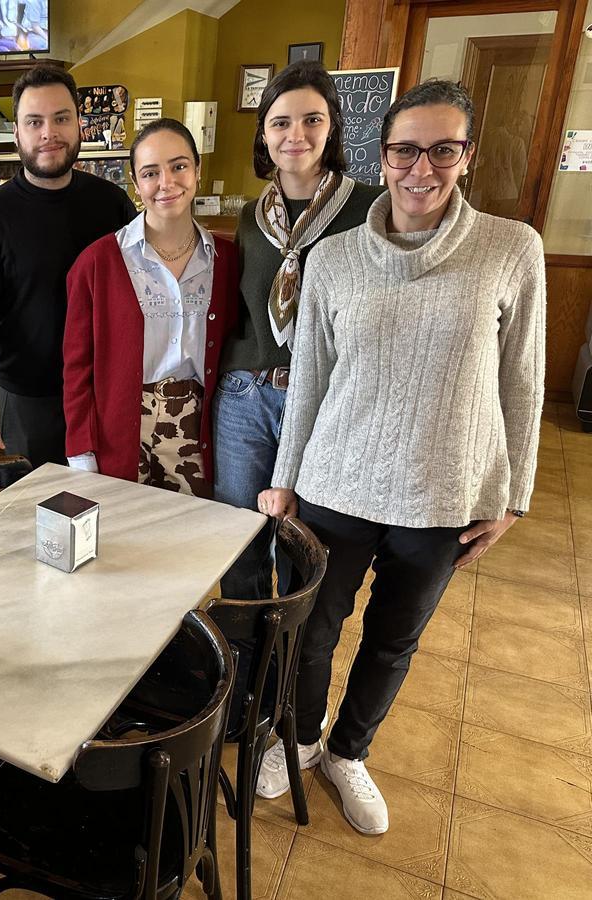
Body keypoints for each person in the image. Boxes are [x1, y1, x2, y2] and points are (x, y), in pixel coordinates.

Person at [256, 79, 545, 835]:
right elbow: (310, 379)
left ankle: (349, 753)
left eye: (442, 149)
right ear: (381, 157)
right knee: (311, 632)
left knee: (392, 641)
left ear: (467, 155)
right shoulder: (334, 258)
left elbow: (522, 379)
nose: (422, 168)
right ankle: (303, 739)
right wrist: (284, 481)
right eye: (405, 150)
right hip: (335, 483)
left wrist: (514, 495)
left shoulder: (512, 248)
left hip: (443, 490)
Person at [216, 61, 384, 600]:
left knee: (305, 541)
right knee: (239, 537)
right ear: (264, 134)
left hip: (326, 399)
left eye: (312, 120)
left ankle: (289, 648)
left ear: (332, 127)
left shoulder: (370, 208)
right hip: (245, 394)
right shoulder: (251, 215)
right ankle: (245, 644)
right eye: (281, 122)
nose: (296, 135)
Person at [0, 64, 137, 469]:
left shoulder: (112, 204)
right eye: (34, 122)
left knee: (111, 498)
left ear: (79, 124)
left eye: (61, 118)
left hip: (106, 391)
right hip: (29, 399)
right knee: (37, 504)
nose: (48, 133)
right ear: (17, 133)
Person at [63, 119, 237, 495]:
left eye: (179, 166)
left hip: (203, 433)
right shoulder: (97, 263)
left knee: (199, 530)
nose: (166, 183)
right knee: (127, 529)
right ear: (135, 182)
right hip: (122, 434)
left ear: (198, 170)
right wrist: (81, 451)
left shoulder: (227, 260)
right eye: (150, 173)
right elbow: (77, 368)